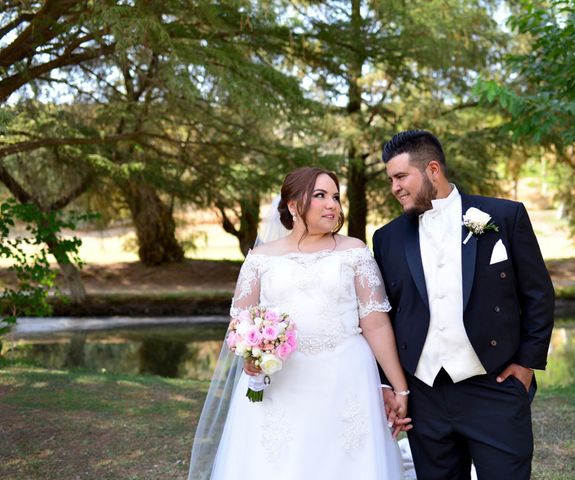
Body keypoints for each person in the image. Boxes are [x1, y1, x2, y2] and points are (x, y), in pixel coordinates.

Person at [189, 167, 410, 480]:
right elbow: (239, 323)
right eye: (320, 195)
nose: (332, 204)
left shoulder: (355, 252)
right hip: (282, 380)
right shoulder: (261, 258)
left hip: (346, 378)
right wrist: (251, 357)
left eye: (335, 196)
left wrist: (399, 388)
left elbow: (376, 323)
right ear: (293, 205)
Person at [373, 130, 555, 480]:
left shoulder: (505, 216)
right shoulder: (387, 239)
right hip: (425, 396)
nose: (394, 187)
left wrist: (526, 366)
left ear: (433, 169)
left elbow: (538, 295)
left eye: (400, 177)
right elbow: (385, 317)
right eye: (390, 180)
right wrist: (391, 384)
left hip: (494, 387)